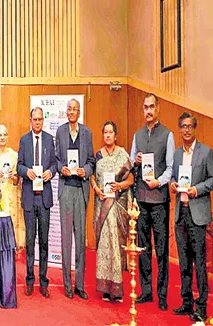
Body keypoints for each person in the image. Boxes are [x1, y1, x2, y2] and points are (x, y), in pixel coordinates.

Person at [169, 113, 213, 322]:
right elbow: (173, 176)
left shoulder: (206, 152)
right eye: (183, 126)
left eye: (190, 126)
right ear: (180, 129)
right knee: (184, 261)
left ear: (194, 128)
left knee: (199, 262)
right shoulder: (177, 154)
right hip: (181, 212)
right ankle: (187, 301)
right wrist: (173, 184)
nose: (187, 130)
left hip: (197, 214)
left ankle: (202, 306)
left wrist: (197, 189)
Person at [130, 93, 174, 311]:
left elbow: (171, 168)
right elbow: (130, 162)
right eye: (145, 107)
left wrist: (159, 182)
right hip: (141, 199)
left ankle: (162, 294)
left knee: (162, 249)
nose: (148, 110)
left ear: (158, 109)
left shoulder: (167, 135)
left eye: (151, 107)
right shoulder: (137, 135)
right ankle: (146, 291)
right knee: (143, 248)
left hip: (159, 200)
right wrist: (135, 161)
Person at [55, 99, 94, 300]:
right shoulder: (60, 131)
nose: (71, 112)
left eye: (74, 109)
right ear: (66, 112)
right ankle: (67, 285)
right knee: (66, 239)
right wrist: (61, 168)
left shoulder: (87, 132)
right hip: (66, 190)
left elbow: (92, 161)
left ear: (79, 112)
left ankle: (79, 285)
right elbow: (56, 159)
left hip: (80, 190)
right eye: (69, 109)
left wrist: (85, 170)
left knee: (80, 239)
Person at [91, 121, 133, 303]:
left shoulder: (123, 154)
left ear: (115, 135)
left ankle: (117, 289)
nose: (108, 135)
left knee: (116, 247)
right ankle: (105, 289)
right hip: (102, 206)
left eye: (111, 132)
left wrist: (120, 185)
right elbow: (93, 177)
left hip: (117, 206)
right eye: (105, 132)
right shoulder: (99, 155)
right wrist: (96, 189)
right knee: (104, 247)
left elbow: (131, 179)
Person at [18, 107, 56, 298]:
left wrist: (51, 172)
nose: (38, 122)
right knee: (30, 241)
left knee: (44, 241)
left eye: (40, 119)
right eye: (35, 119)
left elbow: (55, 164)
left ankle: (43, 281)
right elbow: (18, 166)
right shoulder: (24, 140)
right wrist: (26, 171)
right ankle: (29, 280)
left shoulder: (49, 139)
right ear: (30, 120)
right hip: (29, 197)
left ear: (43, 121)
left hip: (44, 197)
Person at [0, 124, 24, 255]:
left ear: (8, 137)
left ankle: (11, 252)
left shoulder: (14, 155)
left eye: (4, 135)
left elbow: (17, 181)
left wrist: (14, 177)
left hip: (11, 196)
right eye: (0, 135)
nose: (2, 137)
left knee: (11, 224)